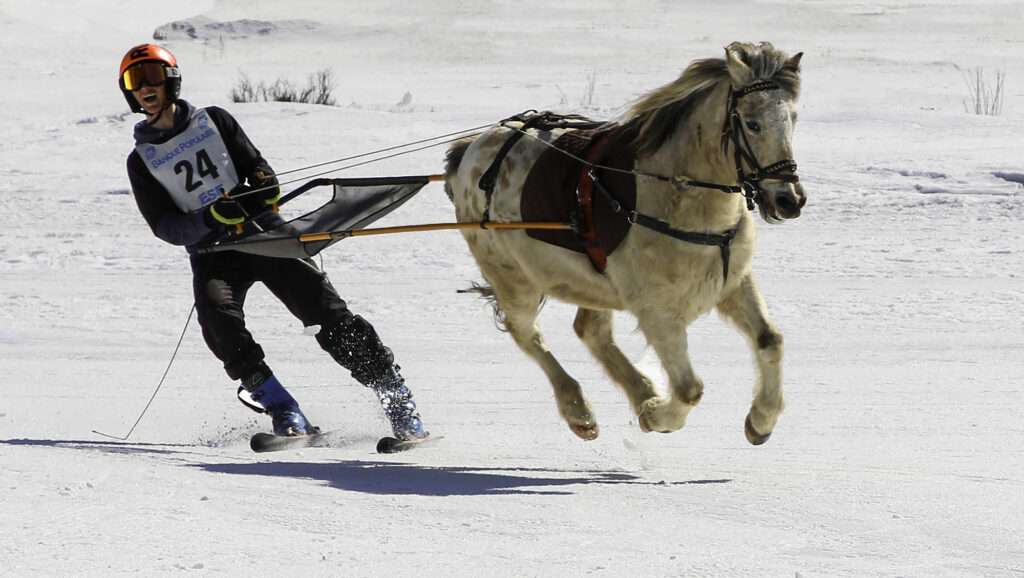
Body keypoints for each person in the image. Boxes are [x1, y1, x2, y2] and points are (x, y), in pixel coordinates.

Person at [120, 43, 427, 440]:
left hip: (264, 232)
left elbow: (260, 170)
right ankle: (283, 409)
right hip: (213, 252)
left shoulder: (214, 120)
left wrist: (264, 186)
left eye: (153, 75)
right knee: (217, 322)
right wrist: (209, 218)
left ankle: (398, 402)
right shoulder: (140, 159)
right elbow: (164, 225)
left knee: (327, 315)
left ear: (171, 80)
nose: (146, 86)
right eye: (135, 79)